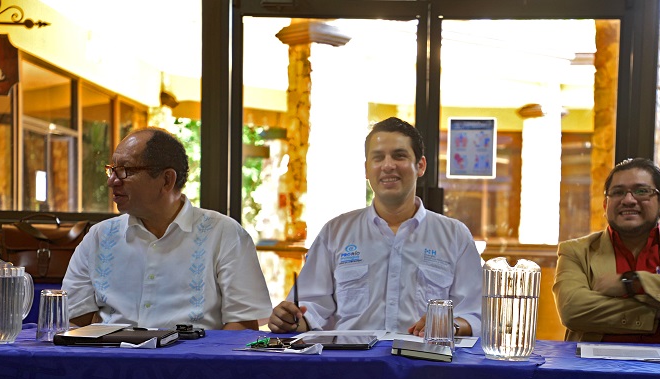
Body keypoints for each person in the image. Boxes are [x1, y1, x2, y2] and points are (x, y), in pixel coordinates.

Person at [268, 117, 482, 336]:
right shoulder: (335, 233)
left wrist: (450, 324)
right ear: (366, 169)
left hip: (424, 356)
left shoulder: (455, 236)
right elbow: (310, 309)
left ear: (420, 166)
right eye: (378, 158)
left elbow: (477, 315)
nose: (388, 166)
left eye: (399, 156)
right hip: (349, 357)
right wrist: (290, 320)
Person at [63, 127, 272, 330]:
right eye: (112, 170)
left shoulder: (225, 234)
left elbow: (244, 324)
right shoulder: (99, 238)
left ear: (166, 180)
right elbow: (72, 322)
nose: (112, 181)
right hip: (111, 354)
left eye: (126, 171)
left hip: (194, 353)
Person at [553, 157, 660, 344]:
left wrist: (633, 282)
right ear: (605, 205)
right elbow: (572, 310)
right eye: (618, 192)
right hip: (594, 361)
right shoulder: (576, 251)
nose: (628, 200)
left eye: (641, 191)